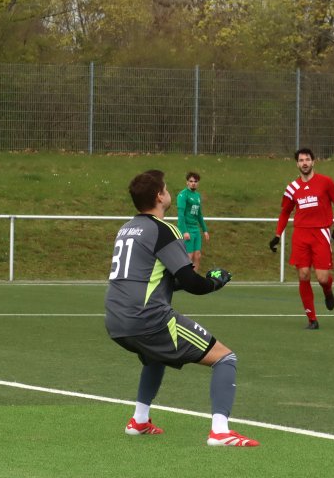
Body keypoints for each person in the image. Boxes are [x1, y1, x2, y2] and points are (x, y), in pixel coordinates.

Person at [106, 170, 258, 447]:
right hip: (147, 319)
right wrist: (214, 283)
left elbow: (153, 281)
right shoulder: (163, 229)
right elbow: (190, 282)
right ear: (159, 196)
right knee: (225, 358)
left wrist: (199, 280)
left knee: (156, 356)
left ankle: (139, 421)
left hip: (116, 320)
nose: (169, 192)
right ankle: (220, 432)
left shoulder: (126, 228)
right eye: (166, 188)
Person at [269, 148, 334, 330]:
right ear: (297, 164)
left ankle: (328, 291)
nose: (304, 163)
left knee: (322, 277)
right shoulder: (292, 188)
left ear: (313, 162)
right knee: (303, 275)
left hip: (320, 233)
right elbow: (285, 212)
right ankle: (312, 319)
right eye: (301, 160)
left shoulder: (325, 182)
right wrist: (277, 235)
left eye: (307, 159)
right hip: (301, 235)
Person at [176, 171, 210, 271]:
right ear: (187, 182)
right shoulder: (183, 195)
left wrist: (205, 230)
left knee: (197, 255)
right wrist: (184, 231)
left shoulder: (198, 196)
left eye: (195, 181)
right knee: (188, 256)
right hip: (187, 228)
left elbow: (199, 214)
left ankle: (194, 279)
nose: (193, 183)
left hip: (195, 229)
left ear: (198, 183)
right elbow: (181, 215)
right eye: (191, 181)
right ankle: (185, 279)